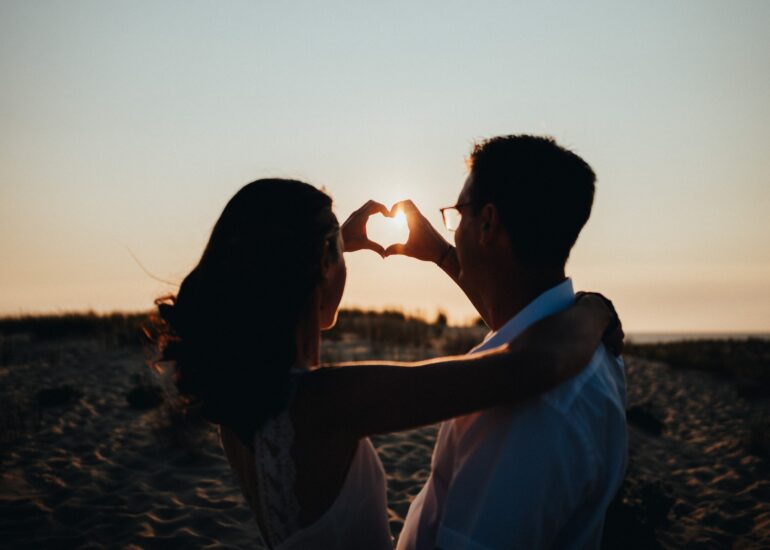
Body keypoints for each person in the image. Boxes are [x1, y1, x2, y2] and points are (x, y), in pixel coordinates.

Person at [152, 178, 622, 550]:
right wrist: (593, 309)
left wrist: (433, 253)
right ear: (324, 261)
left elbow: (507, 327)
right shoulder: (329, 403)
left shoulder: (240, 397)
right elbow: (526, 363)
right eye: (337, 250)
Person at [386, 135, 628, 549]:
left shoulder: (518, 410)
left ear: (488, 223)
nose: (454, 229)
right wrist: (441, 254)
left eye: (458, 214)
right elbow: (509, 319)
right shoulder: (588, 346)